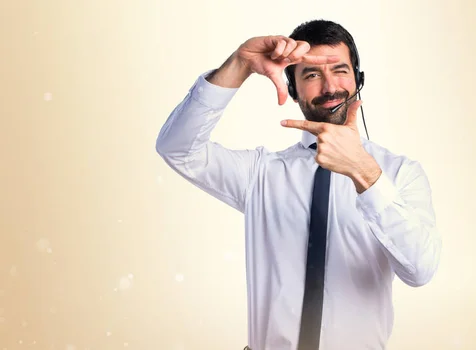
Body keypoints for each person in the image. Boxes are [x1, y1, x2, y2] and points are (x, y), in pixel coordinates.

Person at [156, 19, 442, 350]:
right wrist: (239, 64)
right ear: (292, 89)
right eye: (311, 75)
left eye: (340, 70)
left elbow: (420, 271)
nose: (330, 86)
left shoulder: (400, 174)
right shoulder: (261, 174)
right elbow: (176, 148)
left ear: (358, 79)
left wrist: (365, 173)